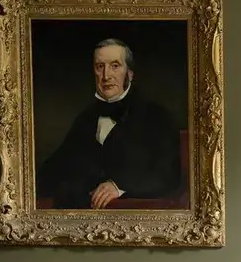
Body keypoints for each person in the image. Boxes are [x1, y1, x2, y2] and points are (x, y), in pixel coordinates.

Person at [38, 38, 181, 209]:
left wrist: (120, 186)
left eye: (115, 66)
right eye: (100, 67)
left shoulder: (157, 117)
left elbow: (168, 176)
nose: (106, 76)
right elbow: (53, 169)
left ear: (129, 74)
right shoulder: (85, 119)